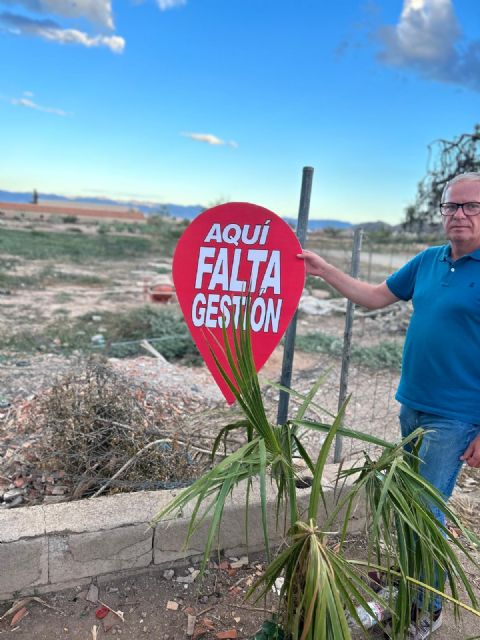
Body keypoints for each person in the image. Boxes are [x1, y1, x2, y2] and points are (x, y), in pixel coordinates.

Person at [298, 172, 480, 639]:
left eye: (471, 206)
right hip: (413, 406)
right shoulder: (427, 262)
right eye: (451, 206)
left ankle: (426, 607)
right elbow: (374, 297)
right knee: (407, 505)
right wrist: (324, 270)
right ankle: (413, 583)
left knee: (424, 509)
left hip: (456, 416)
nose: (459, 215)